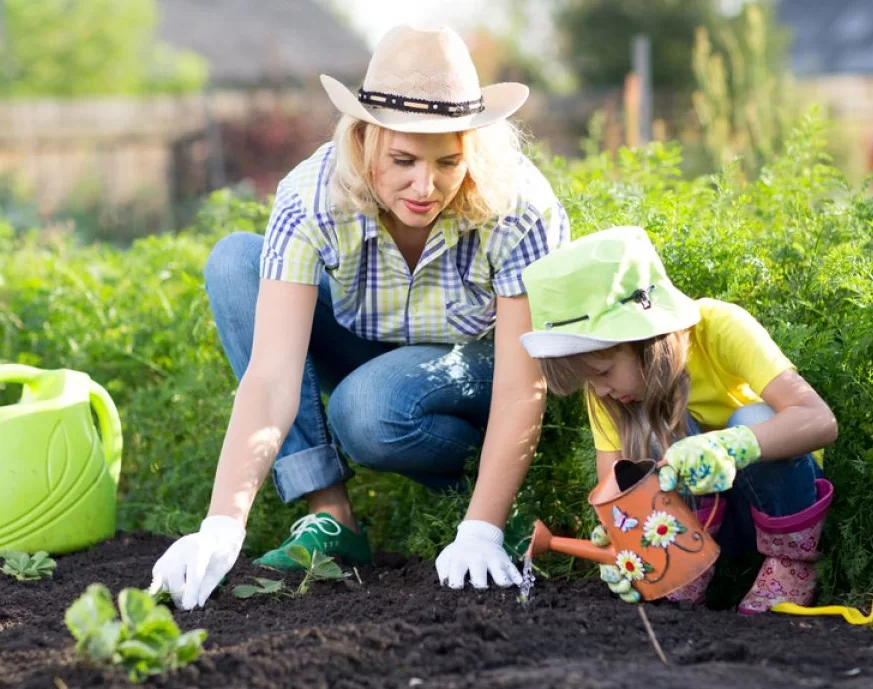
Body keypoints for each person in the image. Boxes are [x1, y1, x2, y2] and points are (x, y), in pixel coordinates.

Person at [149, 24, 569, 610]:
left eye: (448, 161)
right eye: (403, 160)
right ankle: (333, 519)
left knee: (367, 409)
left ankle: (493, 499)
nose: (425, 186)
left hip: (477, 367)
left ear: (472, 148)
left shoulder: (516, 206)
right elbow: (271, 379)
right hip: (364, 343)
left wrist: (483, 528)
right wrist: (222, 523)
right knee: (234, 261)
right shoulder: (311, 198)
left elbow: (525, 383)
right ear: (364, 139)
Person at [518, 226, 837, 614]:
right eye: (590, 381)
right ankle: (682, 568)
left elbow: (819, 419)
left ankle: (790, 564)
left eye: (602, 372)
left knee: (753, 416)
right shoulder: (610, 392)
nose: (599, 391)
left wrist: (730, 445)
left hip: (774, 505)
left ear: (643, 338)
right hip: (691, 528)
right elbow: (613, 487)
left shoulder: (718, 327)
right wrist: (624, 542)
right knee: (646, 423)